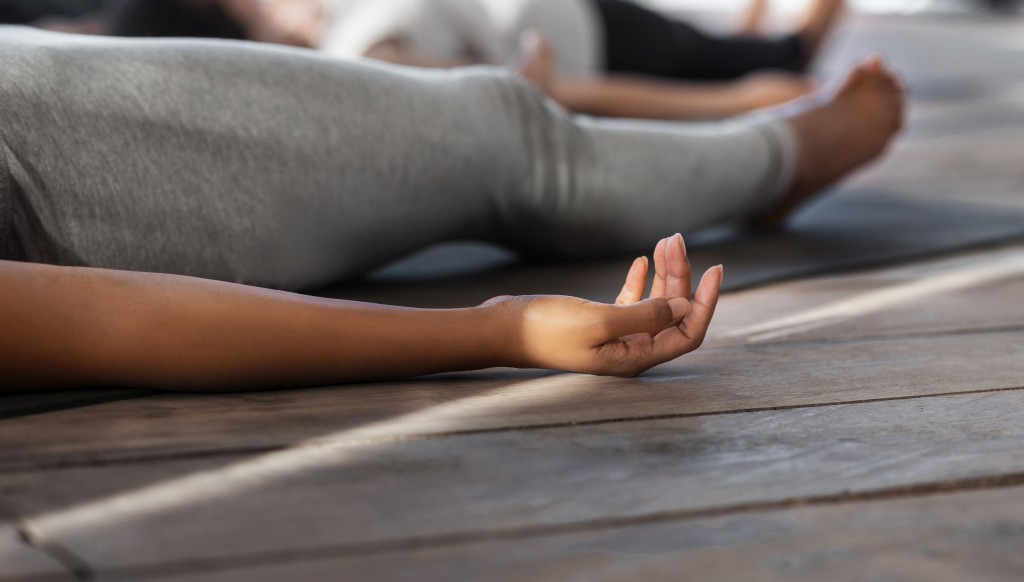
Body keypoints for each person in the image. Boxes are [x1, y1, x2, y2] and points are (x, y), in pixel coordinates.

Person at [0, 28, 903, 391]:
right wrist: (498, 332)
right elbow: (82, 323)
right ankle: (781, 153)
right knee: (500, 134)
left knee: (485, 103)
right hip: (47, 144)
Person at [105, 0, 846, 120]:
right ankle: (757, 39)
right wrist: (735, 106)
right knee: (775, 54)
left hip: (559, 14)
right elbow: (548, 91)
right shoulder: (355, 54)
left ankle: (743, 36)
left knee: (716, 44)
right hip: (582, 36)